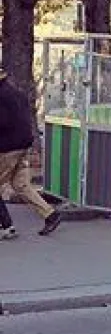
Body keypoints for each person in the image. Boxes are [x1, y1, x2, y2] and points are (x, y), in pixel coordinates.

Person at [0, 68, 62, 240]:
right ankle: (50, 215)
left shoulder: (2, 96)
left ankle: (7, 226)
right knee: (21, 185)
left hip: (8, 148)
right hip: (23, 146)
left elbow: (3, 123)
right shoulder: (16, 92)